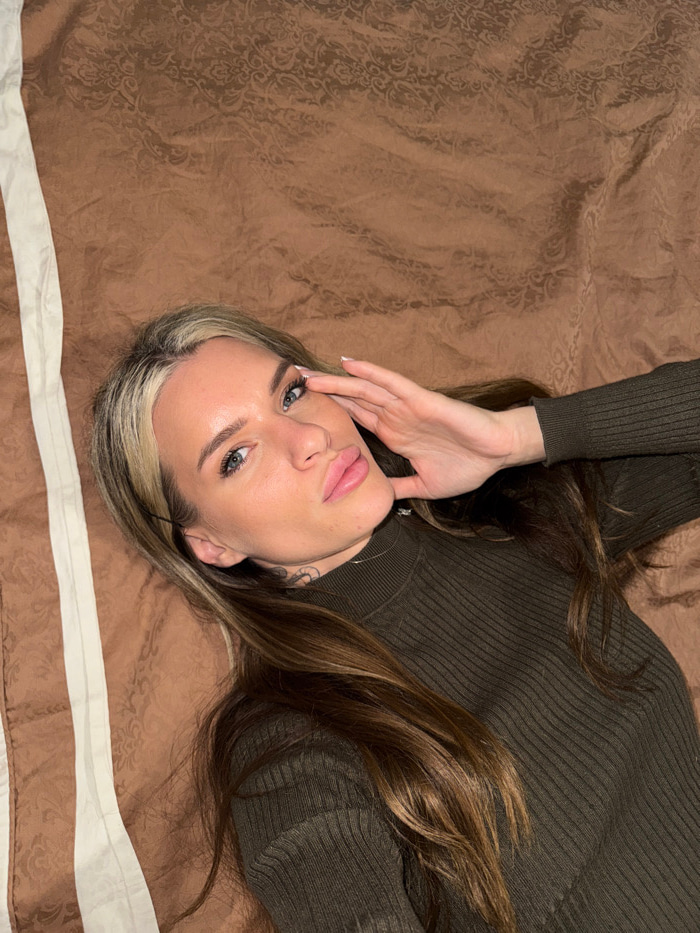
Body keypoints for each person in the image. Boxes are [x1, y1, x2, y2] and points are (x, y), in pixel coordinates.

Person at [91, 303, 699, 933]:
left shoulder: (514, 514)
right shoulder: (289, 742)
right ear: (211, 544)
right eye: (236, 456)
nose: (308, 439)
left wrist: (516, 437)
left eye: (292, 394)